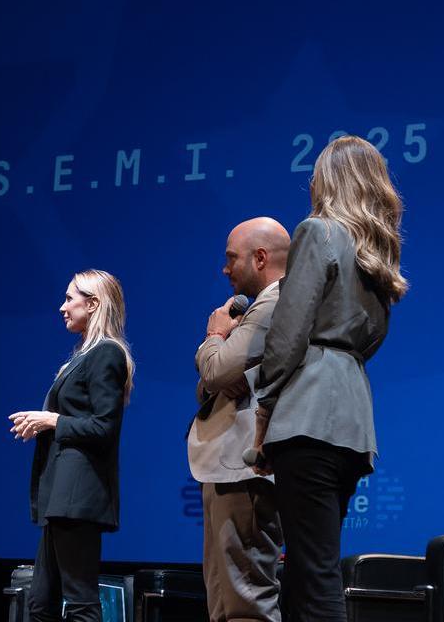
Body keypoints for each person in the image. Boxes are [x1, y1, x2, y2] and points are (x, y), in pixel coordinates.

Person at [253, 135, 408, 622]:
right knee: (307, 569)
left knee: (313, 572)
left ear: (330, 180)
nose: (311, 182)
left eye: (317, 173)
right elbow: (373, 340)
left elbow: (289, 330)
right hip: (351, 420)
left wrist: (264, 399)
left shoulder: (318, 231)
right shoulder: (375, 256)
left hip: (308, 411)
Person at [8, 269, 135, 622]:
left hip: (78, 498)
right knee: (40, 604)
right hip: (61, 497)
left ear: (93, 304)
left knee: (80, 602)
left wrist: (52, 420)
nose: (62, 307)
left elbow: (104, 427)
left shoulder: (106, 353)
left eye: (70, 299)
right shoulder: (84, 356)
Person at [188, 217, 290, 622]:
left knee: (246, 599)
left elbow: (216, 373)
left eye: (232, 259)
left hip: (246, 468)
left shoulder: (275, 300)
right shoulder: (257, 308)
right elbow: (212, 385)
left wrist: (215, 335)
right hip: (227, 467)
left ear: (260, 258)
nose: (225, 269)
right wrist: (221, 368)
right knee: (224, 599)